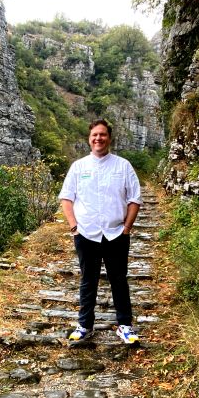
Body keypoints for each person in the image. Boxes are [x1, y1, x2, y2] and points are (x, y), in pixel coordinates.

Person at [59, 119, 143, 345]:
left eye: (103, 134)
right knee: (88, 280)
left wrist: (127, 228)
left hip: (116, 234)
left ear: (109, 138)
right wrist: (74, 227)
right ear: (89, 139)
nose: (98, 138)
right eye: (94, 135)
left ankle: (125, 326)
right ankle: (85, 325)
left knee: (119, 280)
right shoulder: (79, 167)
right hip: (86, 234)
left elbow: (135, 198)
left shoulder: (123, 166)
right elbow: (66, 198)